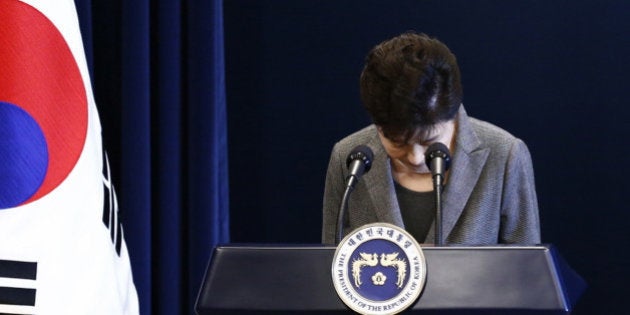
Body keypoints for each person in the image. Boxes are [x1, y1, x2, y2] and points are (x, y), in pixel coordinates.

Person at [322, 31, 540, 245]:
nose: (415, 158)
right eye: (397, 143)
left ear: (452, 114)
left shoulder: (505, 154)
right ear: (378, 125)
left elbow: (528, 271)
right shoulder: (349, 157)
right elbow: (328, 265)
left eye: (428, 142)